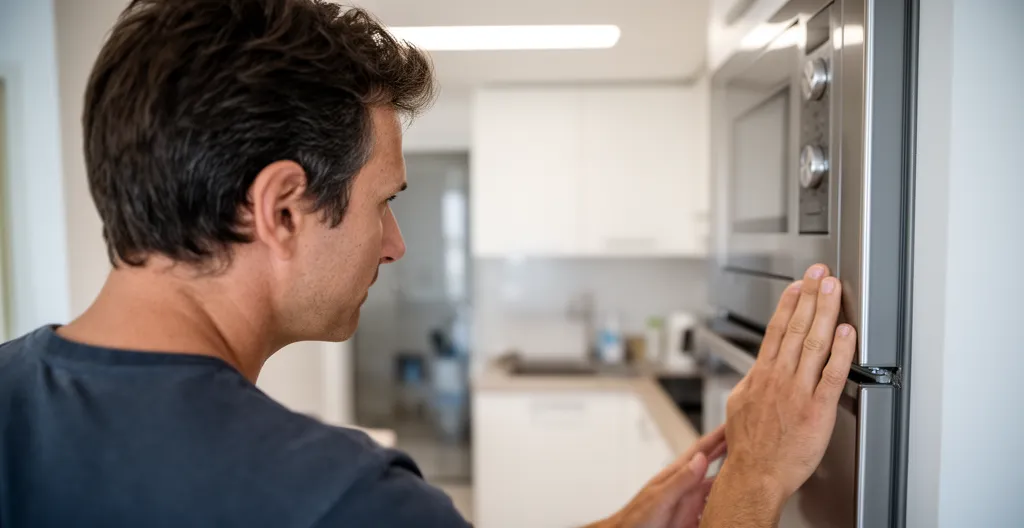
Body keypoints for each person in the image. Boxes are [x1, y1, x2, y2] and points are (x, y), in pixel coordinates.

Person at [0, 0, 857, 526]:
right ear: (282, 208)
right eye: (384, 201)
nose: (395, 243)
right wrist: (753, 484)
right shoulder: (343, 499)